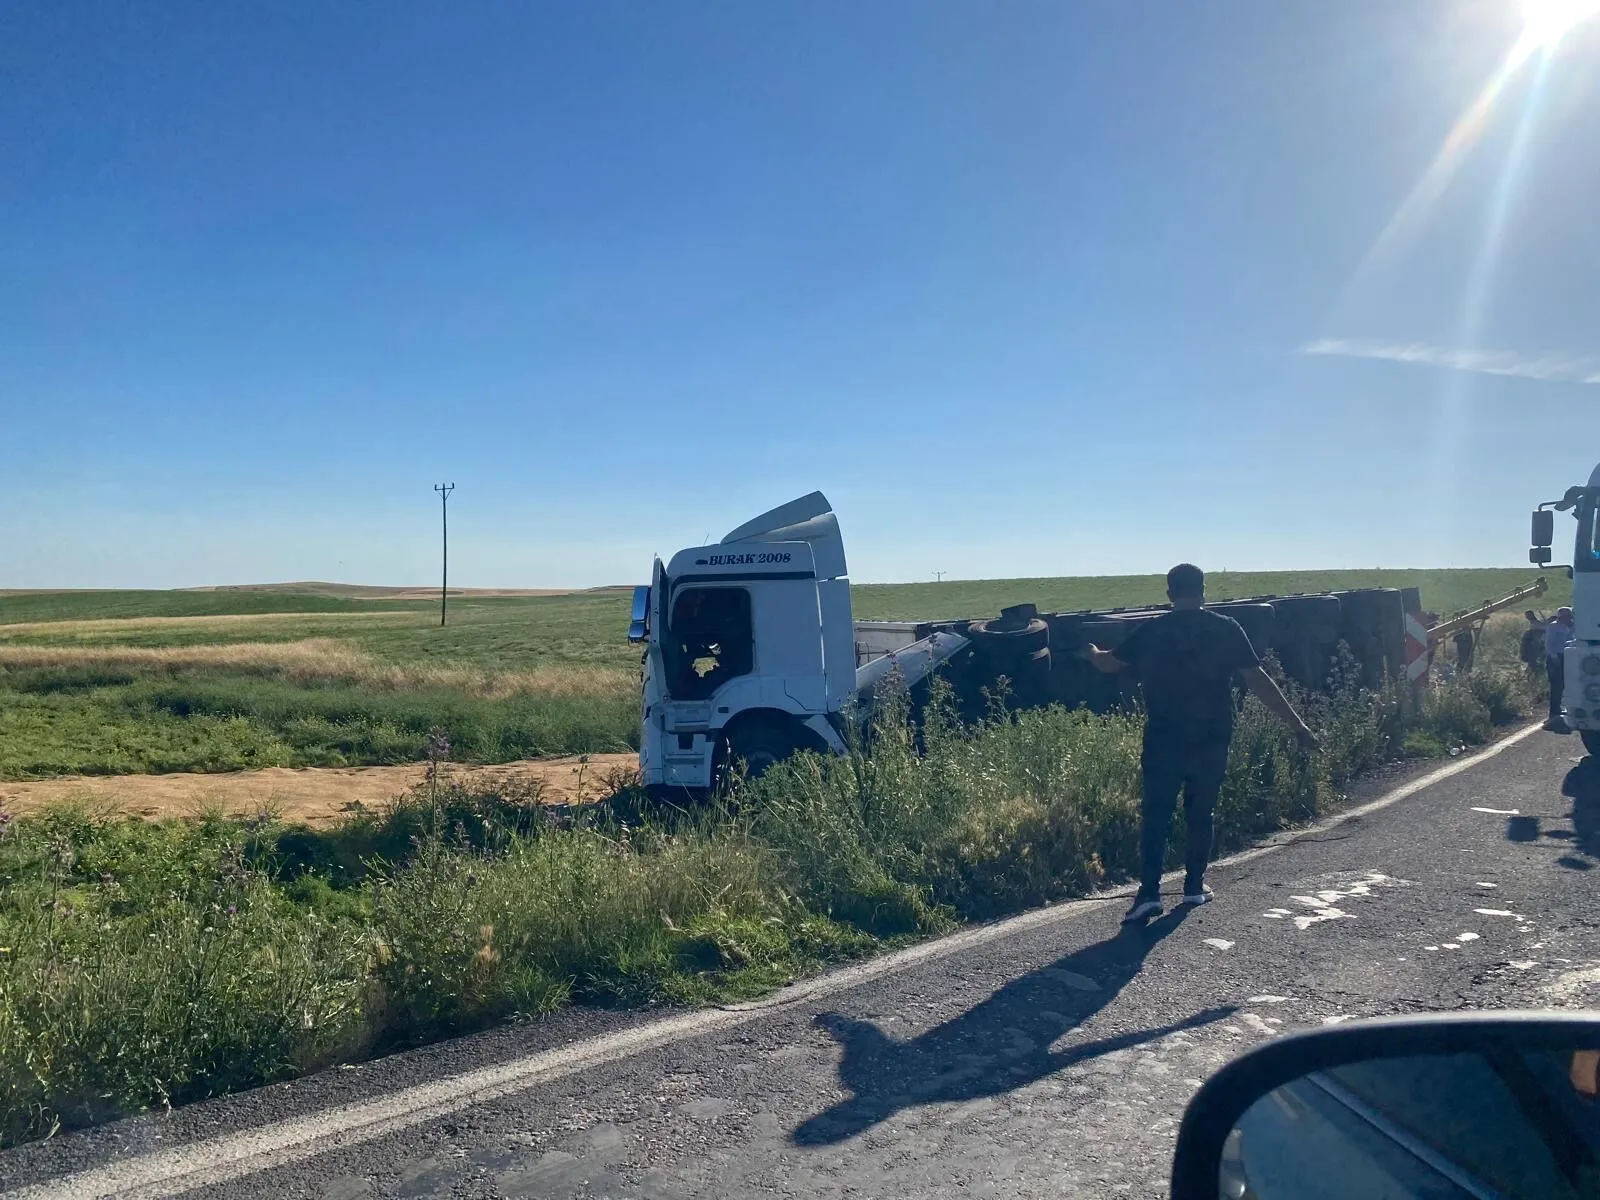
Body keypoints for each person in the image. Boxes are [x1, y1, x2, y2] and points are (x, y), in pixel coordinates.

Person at [1083, 564, 1319, 923]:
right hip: (1211, 737)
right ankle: (1194, 886)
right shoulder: (1226, 629)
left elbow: (1107, 665)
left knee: (1156, 814)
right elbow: (1259, 680)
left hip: (1164, 738)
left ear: (1169, 594)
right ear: (1203, 591)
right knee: (1200, 811)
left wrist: (1090, 651)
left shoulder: (1151, 631)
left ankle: (1148, 894)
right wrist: (1297, 725)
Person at [1546, 607, 1576, 732]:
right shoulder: (1553, 627)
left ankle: (1562, 708)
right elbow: (1549, 644)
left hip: (1567, 656)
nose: (1568, 618)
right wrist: (1554, 658)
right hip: (1556, 658)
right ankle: (1554, 711)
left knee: (1566, 684)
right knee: (1556, 685)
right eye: (1566, 616)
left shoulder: (1569, 627)